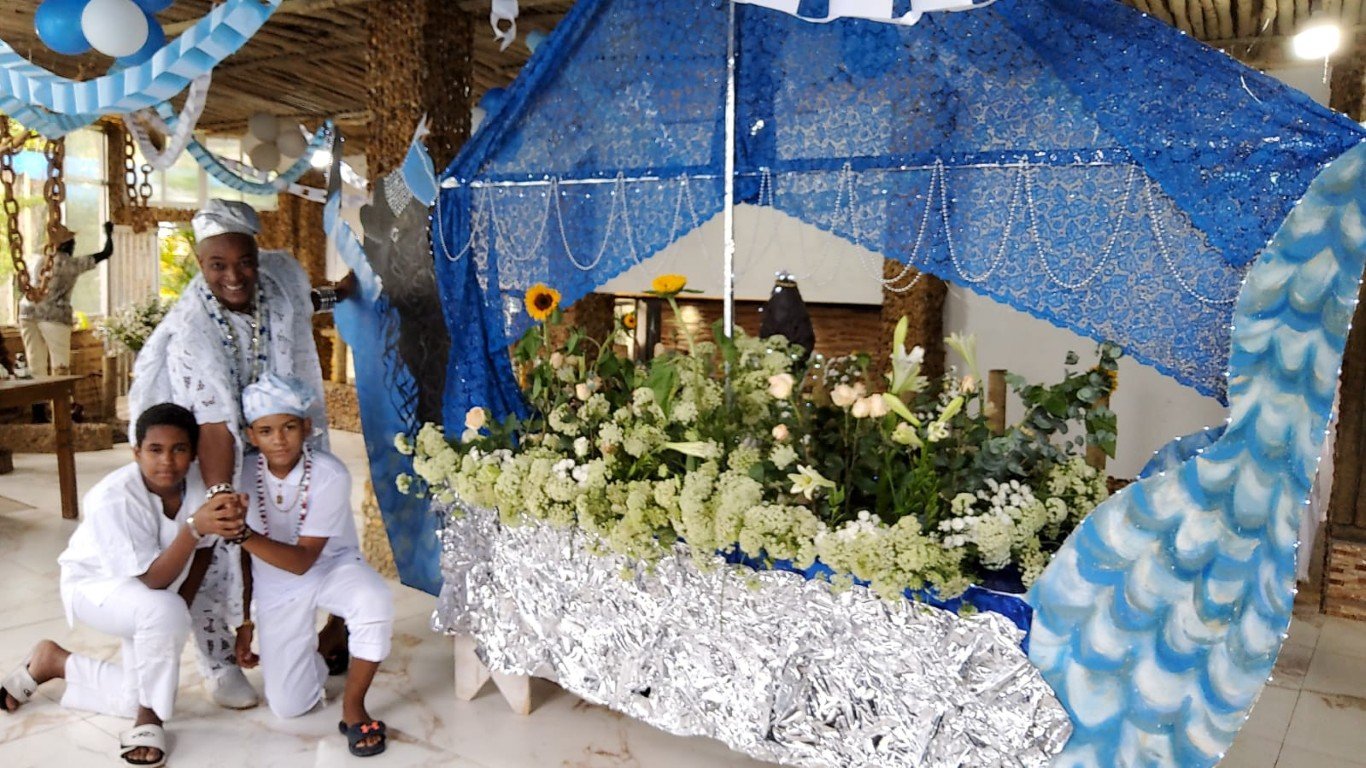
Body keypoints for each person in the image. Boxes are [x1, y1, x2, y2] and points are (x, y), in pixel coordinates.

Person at [127, 199, 354, 710]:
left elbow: (301, 301)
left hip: (277, 441)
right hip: (214, 450)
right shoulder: (191, 331)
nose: (234, 276)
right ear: (199, 263)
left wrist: (339, 293)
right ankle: (218, 660)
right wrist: (221, 494)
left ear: (257, 255)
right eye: (218, 265)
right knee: (214, 549)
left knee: (298, 532)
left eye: (244, 262)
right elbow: (213, 424)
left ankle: (310, 631)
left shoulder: (276, 282)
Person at [0, 403, 245, 767]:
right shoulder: (112, 496)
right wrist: (193, 528)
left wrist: (177, 612)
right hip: (95, 587)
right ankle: (150, 718)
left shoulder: (198, 486)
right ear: (136, 452)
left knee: (137, 689)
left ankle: (53, 662)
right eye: (155, 449)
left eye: (179, 449)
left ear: (194, 453)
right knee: (161, 618)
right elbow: (152, 578)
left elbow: (204, 553)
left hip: (151, 598)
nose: (167, 461)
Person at [233, 373, 393, 757]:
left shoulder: (328, 473)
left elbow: (304, 560)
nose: (279, 439)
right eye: (266, 430)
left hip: (330, 567)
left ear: (306, 427)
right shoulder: (241, 475)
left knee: (373, 600)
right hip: (275, 582)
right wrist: (244, 622)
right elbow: (242, 560)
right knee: (289, 706)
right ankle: (328, 643)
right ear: (252, 435)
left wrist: (240, 534)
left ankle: (354, 707)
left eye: (289, 427)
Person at [19, 220, 115, 377]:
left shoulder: (37, 261)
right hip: (54, 315)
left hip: (26, 312)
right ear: (67, 245)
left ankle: (38, 392)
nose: (74, 246)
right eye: (73, 243)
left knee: (35, 364)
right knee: (60, 365)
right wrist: (108, 233)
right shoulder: (72, 264)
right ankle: (60, 392)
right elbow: (106, 252)